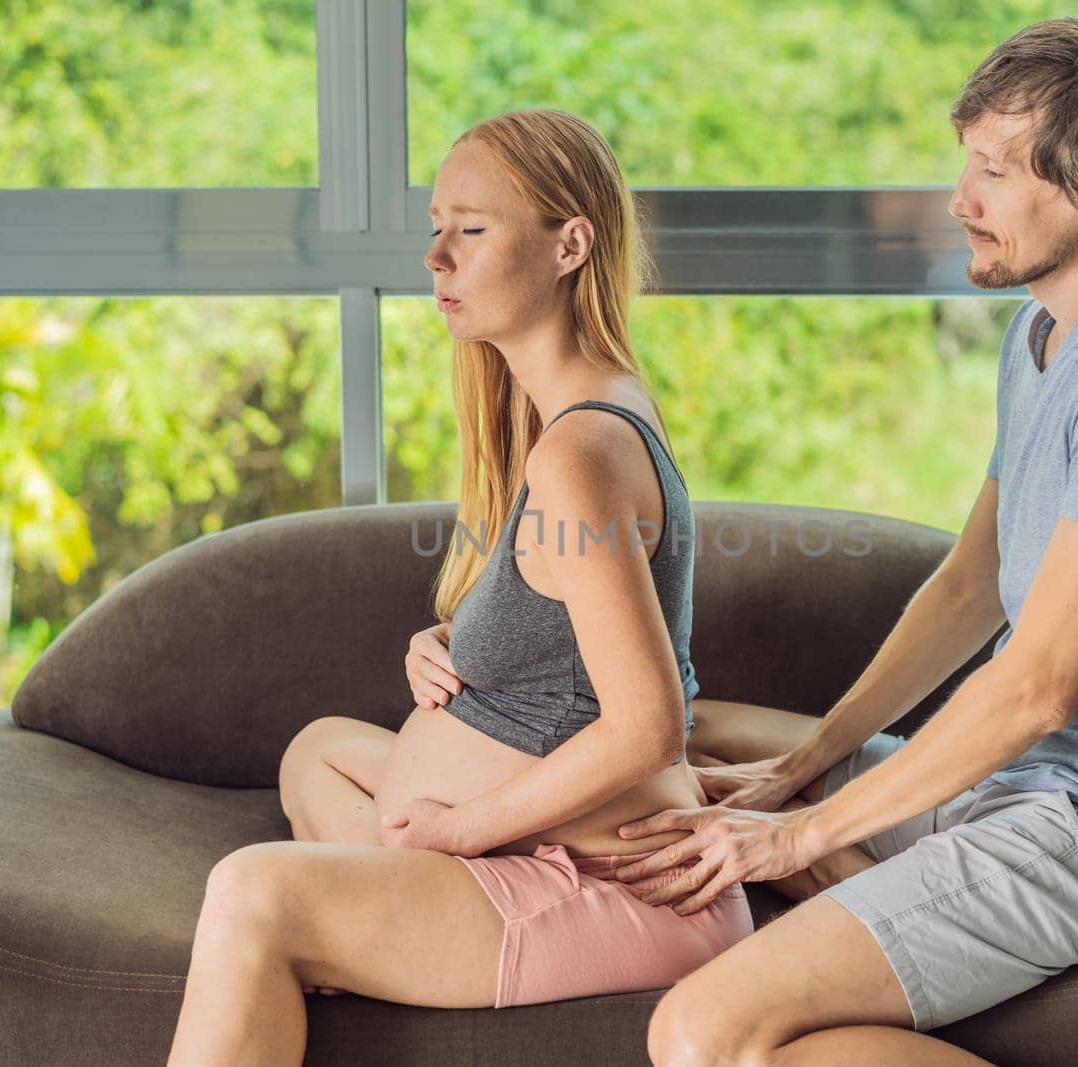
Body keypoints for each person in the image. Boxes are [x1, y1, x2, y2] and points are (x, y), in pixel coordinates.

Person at [618, 16, 1078, 1065]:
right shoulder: (1045, 330)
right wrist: (807, 761)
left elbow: (1035, 688)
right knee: (695, 742)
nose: (957, 200)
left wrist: (795, 834)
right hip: (1026, 787)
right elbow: (971, 584)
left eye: (992, 170)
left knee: (700, 1027)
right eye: (962, 160)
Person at [165, 109, 754, 1065]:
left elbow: (650, 724)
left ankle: (350, 915)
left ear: (570, 244)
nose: (436, 257)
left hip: (608, 891)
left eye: (471, 230)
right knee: (318, 749)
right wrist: (454, 647)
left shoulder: (583, 450)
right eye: (435, 227)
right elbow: (563, 628)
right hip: (541, 843)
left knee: (255, 891)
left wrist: (454, 831)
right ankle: (372, 917)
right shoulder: (573, 415)